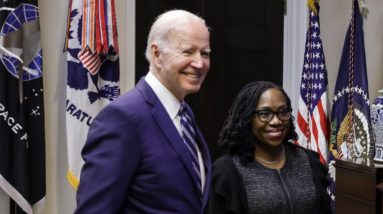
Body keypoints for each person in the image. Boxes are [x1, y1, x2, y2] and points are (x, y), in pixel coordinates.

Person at [75, 9, 212, 213]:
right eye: (187, 51)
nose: (199, 63)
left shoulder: (184, 113)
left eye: (205, 53)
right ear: (157, 54)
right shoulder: (123, 118)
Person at [209, 81, 331, 214]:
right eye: (265, 114)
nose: (276, 121)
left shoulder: (309, 160)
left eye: (283, 112)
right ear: (247, 118)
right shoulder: (226, 171)